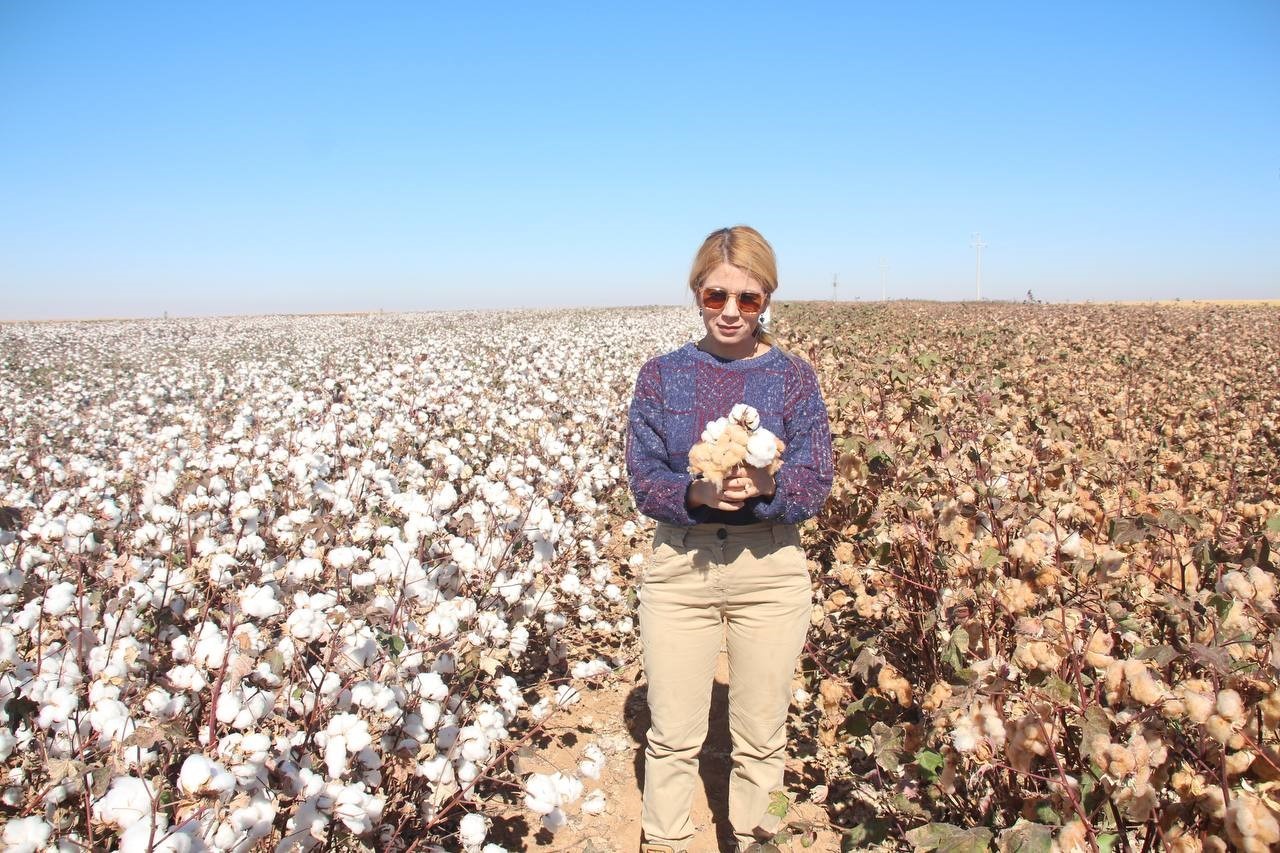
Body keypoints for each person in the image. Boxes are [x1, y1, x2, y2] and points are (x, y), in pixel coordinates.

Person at [625, 226, 834, 852]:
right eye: (717, 297)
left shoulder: (793, 378)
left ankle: (755, 841)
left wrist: (769, 483)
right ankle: (665, 843)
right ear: (697, 294)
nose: (732, 312)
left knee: (763, 736)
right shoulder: (661, 375)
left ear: (767, 297)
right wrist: (697, 493)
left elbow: (817, 478)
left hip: (770, 568)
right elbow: (643, 477)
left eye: (748, 298)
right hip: (681, 570)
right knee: (672, 737)